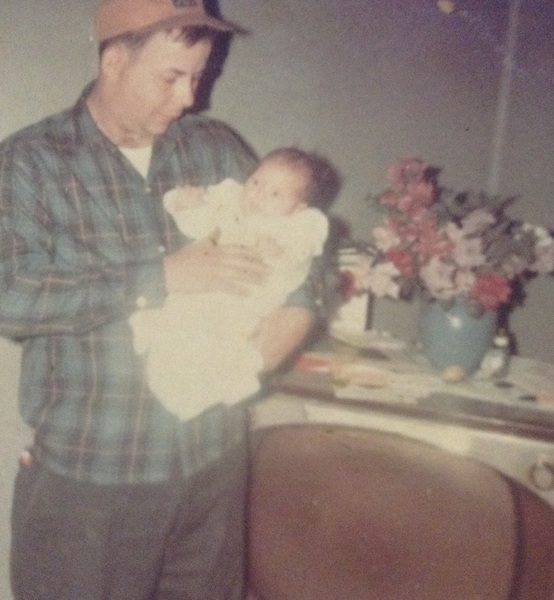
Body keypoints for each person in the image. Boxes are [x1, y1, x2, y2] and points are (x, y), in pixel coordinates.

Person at [0, 1, 323, 599]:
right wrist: (160, 278)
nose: (188, 98)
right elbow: (10, 297)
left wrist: (286, 327)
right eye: (171, 77)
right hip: (93, 479)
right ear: (114, 61)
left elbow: (298, 256)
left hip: (213, 463)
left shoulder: (216, 147)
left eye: (198, 76)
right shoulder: (31, 161)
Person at [130, 147, 334, 421]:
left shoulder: (300, 225)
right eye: (256, 182)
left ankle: (208, 388)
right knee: (178, 325)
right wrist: (187, 204)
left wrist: (280, 253)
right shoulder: (230, 201)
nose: (258, 194)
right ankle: (165, 366)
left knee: (222, 345)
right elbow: (196, 225)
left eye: (275, 194)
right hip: (200, 288)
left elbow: (303, 264)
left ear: (298, 207)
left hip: (246, 298)